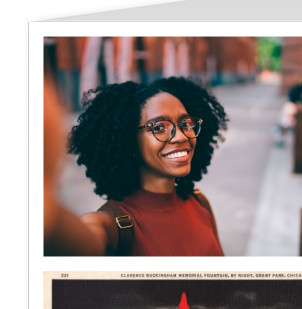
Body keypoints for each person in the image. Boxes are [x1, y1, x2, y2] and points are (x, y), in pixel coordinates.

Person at [45, 76, 228, 256]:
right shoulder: (112, 226)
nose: (181, 136)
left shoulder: (200, 203)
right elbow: (71, 239)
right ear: (129, 141)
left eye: (186, 123)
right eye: (159, 127)